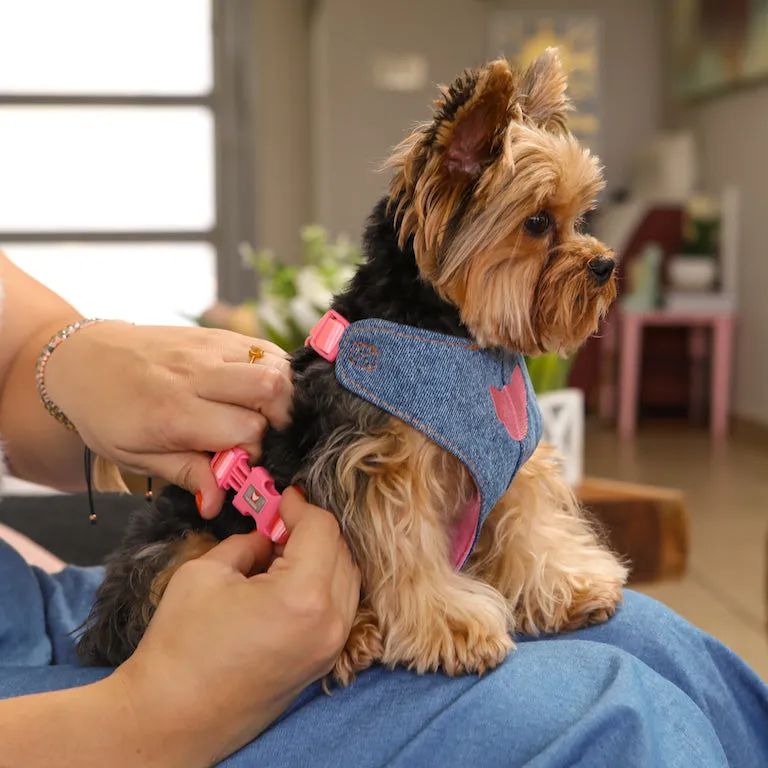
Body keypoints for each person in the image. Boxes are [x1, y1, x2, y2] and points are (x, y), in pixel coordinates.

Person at [0, 250, 766, 767]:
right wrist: (145, 718)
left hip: (52, 603)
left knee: (659, 644)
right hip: (86, 719)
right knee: (616, 722)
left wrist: (59, 358)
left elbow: (19, 370)